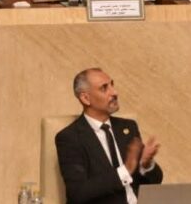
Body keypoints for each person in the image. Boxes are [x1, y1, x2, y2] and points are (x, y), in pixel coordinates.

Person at [55, 68, 163, 204]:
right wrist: (125, 170)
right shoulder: (70, 138)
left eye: (112, 85)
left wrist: (146, 165)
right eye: (104, 88)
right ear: (85, 98)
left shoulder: (128, 127)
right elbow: (77, 193)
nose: (115, 92)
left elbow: (155, 181)